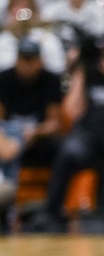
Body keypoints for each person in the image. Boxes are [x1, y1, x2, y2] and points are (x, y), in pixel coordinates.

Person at [30, 22, 104, 232]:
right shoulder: (88, 75)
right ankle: (51, 213)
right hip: (88, 138)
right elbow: (71, 111)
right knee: (68, 151)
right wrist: (81, 71)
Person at [0, 38, 64, 203]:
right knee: (9, 145)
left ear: (40, 60)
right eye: (23, 59)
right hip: (7, 133)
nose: (27, 64)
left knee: (66, 148)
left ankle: (55, 205)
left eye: (32, 59)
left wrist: (35, 133)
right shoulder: (4, 78)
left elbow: (54, 123)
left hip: (39, 135)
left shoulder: (50, 80)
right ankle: (8, 202)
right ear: (17, 59)